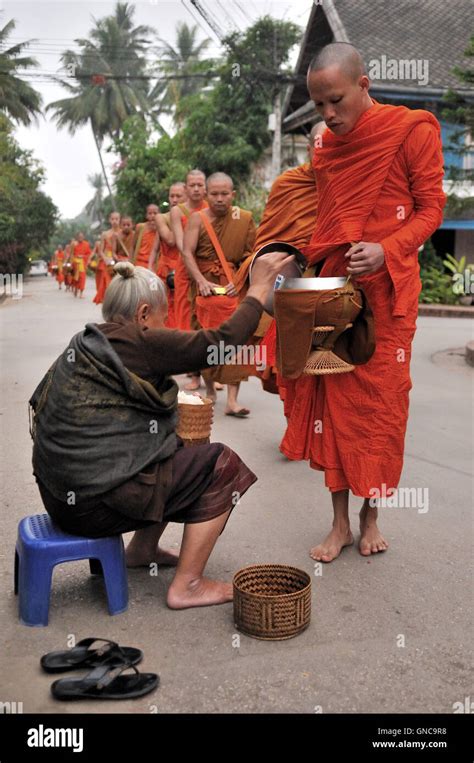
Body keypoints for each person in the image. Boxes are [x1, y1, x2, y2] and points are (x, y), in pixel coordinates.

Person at [29, 253, 293, 609]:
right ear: (142, 314)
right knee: (222, 464)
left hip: (61, 499)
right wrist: (258, 290)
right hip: (93, 508)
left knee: (170, 446)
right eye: (162, 315)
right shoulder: (140, 341)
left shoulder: (90, 340)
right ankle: (188, 585)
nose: (166, 323)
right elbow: (217, 344)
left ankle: (141, 550)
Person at [278, 42, 445, 562]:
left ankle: (371, 517)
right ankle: (339, 523)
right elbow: (325, 215)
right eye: (319, 105)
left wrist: (387, 249)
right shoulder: (325, 146)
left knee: (379, 407)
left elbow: (432, 208)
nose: (328, 115)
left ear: (364, 84)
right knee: (331, 403)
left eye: (336, 100)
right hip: (334, 288)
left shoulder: (411, 130)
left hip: (388, 293)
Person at [182, 172, 256, 415]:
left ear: (232, 195)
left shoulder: (244, 219)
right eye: (214, 194)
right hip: (205, 289)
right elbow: (187, 252)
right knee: (207, 340)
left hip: (234, 288)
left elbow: (250, 255)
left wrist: (241, 278)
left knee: (238, 340)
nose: (220, 199)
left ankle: (233, 401)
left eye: (225, 194)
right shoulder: (197, 219)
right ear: (206, 195)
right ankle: (211, 389)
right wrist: (201, 281)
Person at [170, 170, 208, 392]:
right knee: (188, 324)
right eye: (191, 185)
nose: (195, 188)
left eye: (199, 184)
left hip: (208, 270)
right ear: (186, 188)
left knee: (210, 322)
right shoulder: (178, 212)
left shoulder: (211, 206)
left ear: (204, 187)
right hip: (186, 272)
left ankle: (215, 373)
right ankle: (194, 374)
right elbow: (182, 245)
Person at [149, 182, 188, 328]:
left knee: (184, 307)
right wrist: (150, 270)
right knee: (166, 308)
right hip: (166, 271)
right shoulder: (162, 218)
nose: (175, 199)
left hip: (186, 268)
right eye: (172, 196)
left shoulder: (195, 216)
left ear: (187, 196)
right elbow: (168, 242)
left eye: (179, 196)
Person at [93, 211, 120, 305]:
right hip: (108, 261)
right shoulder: (105, 234)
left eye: (117, 219)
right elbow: (100, 250)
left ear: (119, 220)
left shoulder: (121, 233)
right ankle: (107, 304)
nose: (115, 221)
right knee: (107, 283)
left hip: (119, 259)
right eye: (113, 219)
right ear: (109, 220)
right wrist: (105, 259)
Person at [71, 232, 92, 298]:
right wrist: (72, 262)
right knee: (76, 278)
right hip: (76, 263)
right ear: (77, 237)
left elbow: (89, 254)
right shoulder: (74, 244)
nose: (80, 238)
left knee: (82, 278)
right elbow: (72, 254)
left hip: (83, 263)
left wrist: (83, 256)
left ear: (84, 237)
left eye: (82, 236)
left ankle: (81, 293)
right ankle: (76, 289)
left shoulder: (86, 244)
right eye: (79, 237)